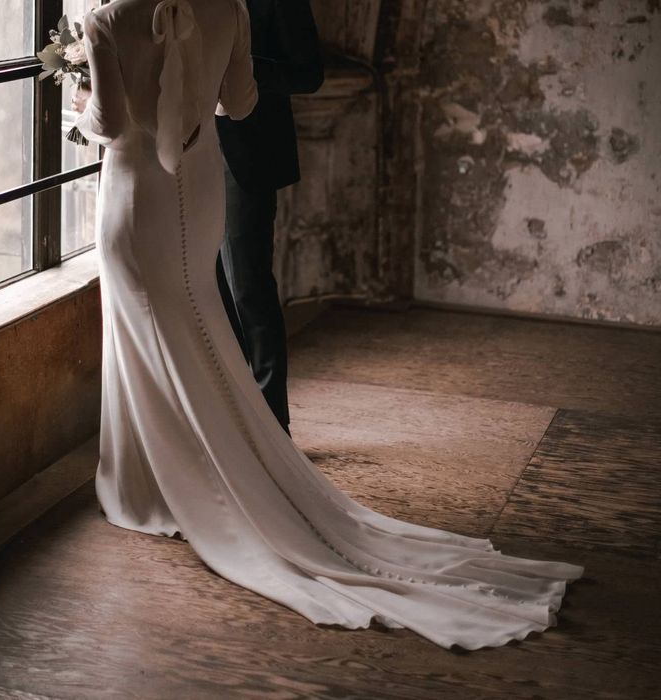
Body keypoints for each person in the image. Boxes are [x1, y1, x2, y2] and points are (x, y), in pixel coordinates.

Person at [73, 0, 583, 651]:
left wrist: (80, 94)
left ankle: (147, 483)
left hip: (137, 192)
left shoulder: (107, 19)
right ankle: (192, 467)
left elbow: (110, 126)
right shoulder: (228, 7)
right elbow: (242, 105)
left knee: (147, 332)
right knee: (198, 323)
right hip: (198, 190)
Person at [215, 0, 324, 435]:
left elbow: (310, 74)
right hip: (185, 152)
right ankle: (225, 413)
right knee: (210, 291)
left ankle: (272, 423)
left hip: (248, 153)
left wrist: (240, 66)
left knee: (248, 286)